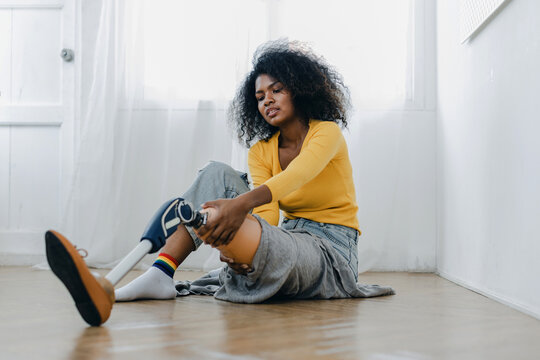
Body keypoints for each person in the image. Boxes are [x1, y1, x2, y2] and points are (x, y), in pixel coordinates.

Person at [46, 40, 394, 326]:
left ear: (300, 90)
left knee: (250, 224)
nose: (267, 100)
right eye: (260, 97)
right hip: (287, 234)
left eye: (277, 90)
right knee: (216, 174)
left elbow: (297, 176)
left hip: (330, 248)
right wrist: (243, 245)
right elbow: (270, 216)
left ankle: (232, 247)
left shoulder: (326, 132)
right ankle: (160, 272)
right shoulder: (261, 151)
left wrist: (240, 211)